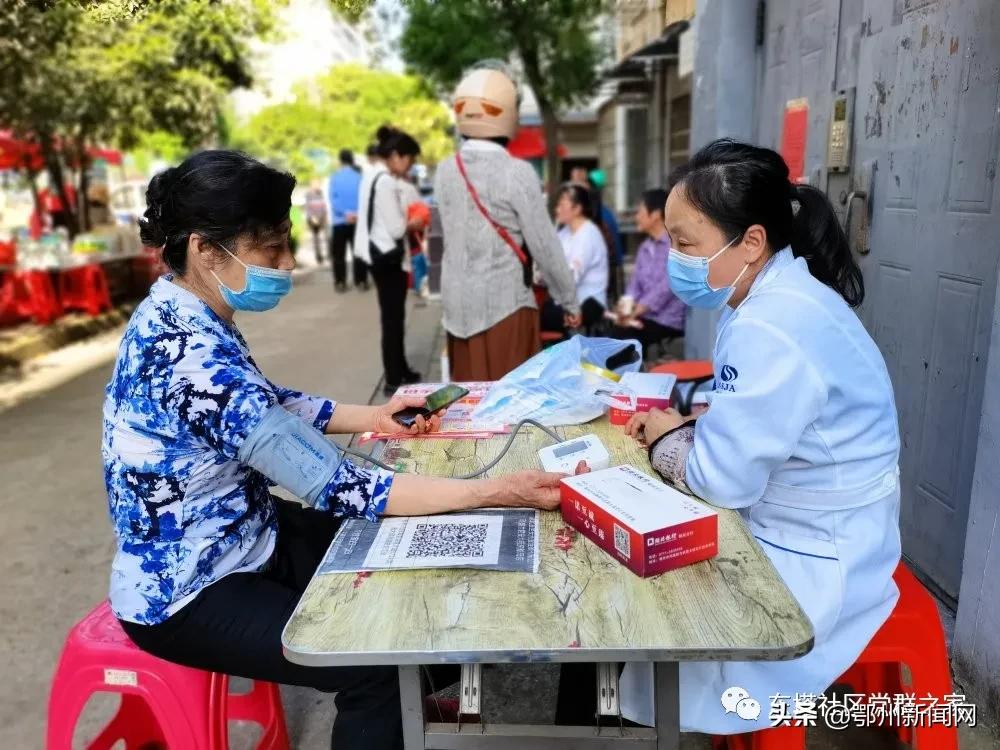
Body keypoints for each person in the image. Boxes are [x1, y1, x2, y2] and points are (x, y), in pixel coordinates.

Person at [108, 149, 574, 750]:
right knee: (371, 659)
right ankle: (397, 707)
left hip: (247, 535)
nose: (288, 261)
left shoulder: (186, 311)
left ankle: (417, 712)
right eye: (270, 248)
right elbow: (346, 487)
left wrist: (376, 415)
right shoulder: (186, 356)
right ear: (205, 250)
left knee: (396, 561)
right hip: (189, 586)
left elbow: (268, 402)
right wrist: (493, 491)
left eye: (287, 242)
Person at [558, 139, 901, 734]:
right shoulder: (769, 296)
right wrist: (683, 430)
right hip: (806, 517)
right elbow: (754, 424)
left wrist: (669, 442)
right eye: (670, 239)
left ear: (751, 241)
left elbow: (724, 480)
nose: (673, 256)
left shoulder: (774, 322)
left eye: (686, 243)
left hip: (816, 553)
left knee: (622, 612)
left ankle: (612, 725)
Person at [434, 61, 579, 381]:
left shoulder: (445, 170)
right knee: (511, 404)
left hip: (457, 312)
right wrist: (569, 300)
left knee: (468, 402)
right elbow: (545, 245)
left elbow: (442, 238)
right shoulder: (517, 172)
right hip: (506, 308)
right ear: (507, 113)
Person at [354, 126, 423, 395]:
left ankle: (401, 369)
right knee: (393, 319)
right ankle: (395, 378)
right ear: (396, 155)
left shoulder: (371, 175)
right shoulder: (384, 181)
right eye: (409, 160)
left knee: (393, 317)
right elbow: (396, 228)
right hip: (387, 258)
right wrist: (414, 221)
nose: (409, 166)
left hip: (376, 257)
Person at [609, 188, 685, 350]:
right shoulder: (645, 247)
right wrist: (624, 309)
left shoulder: (676, 246)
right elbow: (634, 285)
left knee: (622, 339)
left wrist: (635, 311)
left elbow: (665, 288)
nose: (636, 217)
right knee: (609, 336)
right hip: (643, 316)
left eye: (640, 212)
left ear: (656, 214)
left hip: (666, 319)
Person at [540, 183, 609, 334]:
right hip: (565, 299)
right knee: (533, 312)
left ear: (577, 209)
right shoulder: (564, 233)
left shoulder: (588, 234)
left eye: (561, 205)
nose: (556, 209)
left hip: (588, 301)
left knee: (538, 318)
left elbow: (571, 276)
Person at [328, 149, 366, 292]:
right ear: (352, 160)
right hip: (357, 221)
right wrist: (355, 214)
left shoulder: (335, 178)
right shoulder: (360, 177)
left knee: (339, 255)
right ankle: (361, 281)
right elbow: (364, 199)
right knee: (359, 252)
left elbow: (333, 200)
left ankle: (340, 282)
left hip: (339, 221)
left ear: (340, 160)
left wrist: (345, 213)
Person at [304, 179, 327, 265]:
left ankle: (328, 255)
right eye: (315, 184)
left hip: (321, 218)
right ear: (312, 185)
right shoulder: (309, 194)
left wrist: (325, 216)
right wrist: (312, 217)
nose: (317, 186)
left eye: (318, 184)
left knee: (325, 237)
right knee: (316, 238)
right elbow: (307, 207)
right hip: (313, 219)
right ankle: (319, 256)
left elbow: (324, 206)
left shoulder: (321, 194)